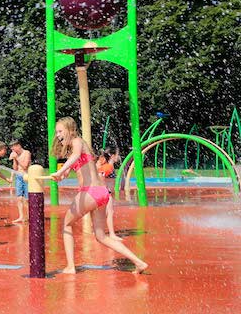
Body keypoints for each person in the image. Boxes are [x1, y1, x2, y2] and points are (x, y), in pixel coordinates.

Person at [50, 117, 148, 274]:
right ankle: (139, 262)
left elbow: (74, 157)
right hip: (101, 194)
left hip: (89, 192)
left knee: (67, 224)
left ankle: (70, 267)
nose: (58, 134)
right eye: (56, 132)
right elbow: (67, 171)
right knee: (101, 236)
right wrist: (59, 176)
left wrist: (60, 171)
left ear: (70, 130)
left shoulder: (77, 141)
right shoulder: (77, 150)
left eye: (60, 131)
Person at [96, 147, 123, 241]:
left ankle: (98, 231)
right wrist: (104, 188)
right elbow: (100, 175)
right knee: (110, 213)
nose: (119, 157)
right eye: (117, 154)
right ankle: (111, 234)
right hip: (106, 193)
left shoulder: (107, 166)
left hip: (104, 192)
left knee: (102, 213)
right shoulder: (109, 167)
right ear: (112, 156)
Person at [9, 140, 31, 223]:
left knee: (26, 199)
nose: (12, 150)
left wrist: (16, 158)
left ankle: (30, 216)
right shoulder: (16, 155)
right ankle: (21, 216)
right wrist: (14, 159)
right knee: (19, 198)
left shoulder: (27, 153)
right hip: (18, 176)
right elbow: (15, 168)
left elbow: (25, 166)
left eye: (13, 148)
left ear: (18, 145)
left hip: (26, 176)